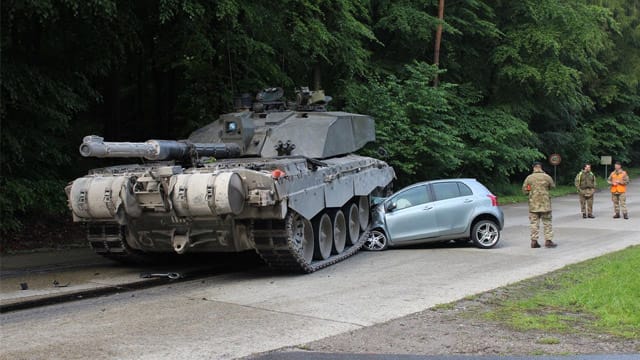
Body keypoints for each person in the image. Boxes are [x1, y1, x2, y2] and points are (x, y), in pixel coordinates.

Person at [522, 162, 557, 248]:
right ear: (541, 167)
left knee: (534, 223)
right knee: (547, 222)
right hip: (545, 204)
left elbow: (524, 191)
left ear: (533, 167)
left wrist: (531, 191)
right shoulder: (547, 177)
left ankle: (534, 241)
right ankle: (548, 240)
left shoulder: (529, 178)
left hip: (533, 204)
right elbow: (553, 186)